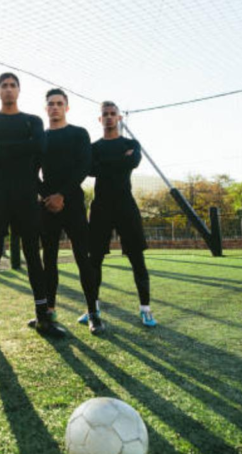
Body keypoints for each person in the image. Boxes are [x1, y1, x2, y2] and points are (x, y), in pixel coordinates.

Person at [0, 72, 66, 343]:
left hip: (26, 195)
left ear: (19, 90)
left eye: (13, 85)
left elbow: (40, 145)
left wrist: (1, 145)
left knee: (33, 255)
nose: (9, 89)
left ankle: (43, 317)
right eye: (4, 85)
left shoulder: (33, 120)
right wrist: (21, 147)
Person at [30, 88, 104, 335]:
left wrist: (62, 194)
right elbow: (32, 171)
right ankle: (49, 311)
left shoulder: (79, 133)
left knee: (83, 258)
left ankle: (93, 312)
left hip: (72, 203)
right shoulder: (40, 137)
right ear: (46, 108)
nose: (55, 107)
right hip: (47, 206)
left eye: (59, 103)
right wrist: (46, 196)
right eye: (50, 104)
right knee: (48, 260)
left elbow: (83, 166)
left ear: (66, 108)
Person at [88, 101, 157, 327]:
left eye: (112, 114)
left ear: (119, 118)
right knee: (94, 260)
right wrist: (120, 161)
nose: (108, 117)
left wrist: (106, 164)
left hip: (125, 206)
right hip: (100, 207)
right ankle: (92, 308)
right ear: (99, 120)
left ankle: (145, 309)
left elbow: (133, 160)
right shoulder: (93, 147)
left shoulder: (131, 143)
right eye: (104, 114)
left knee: (137, 258)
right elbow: (91, 169)